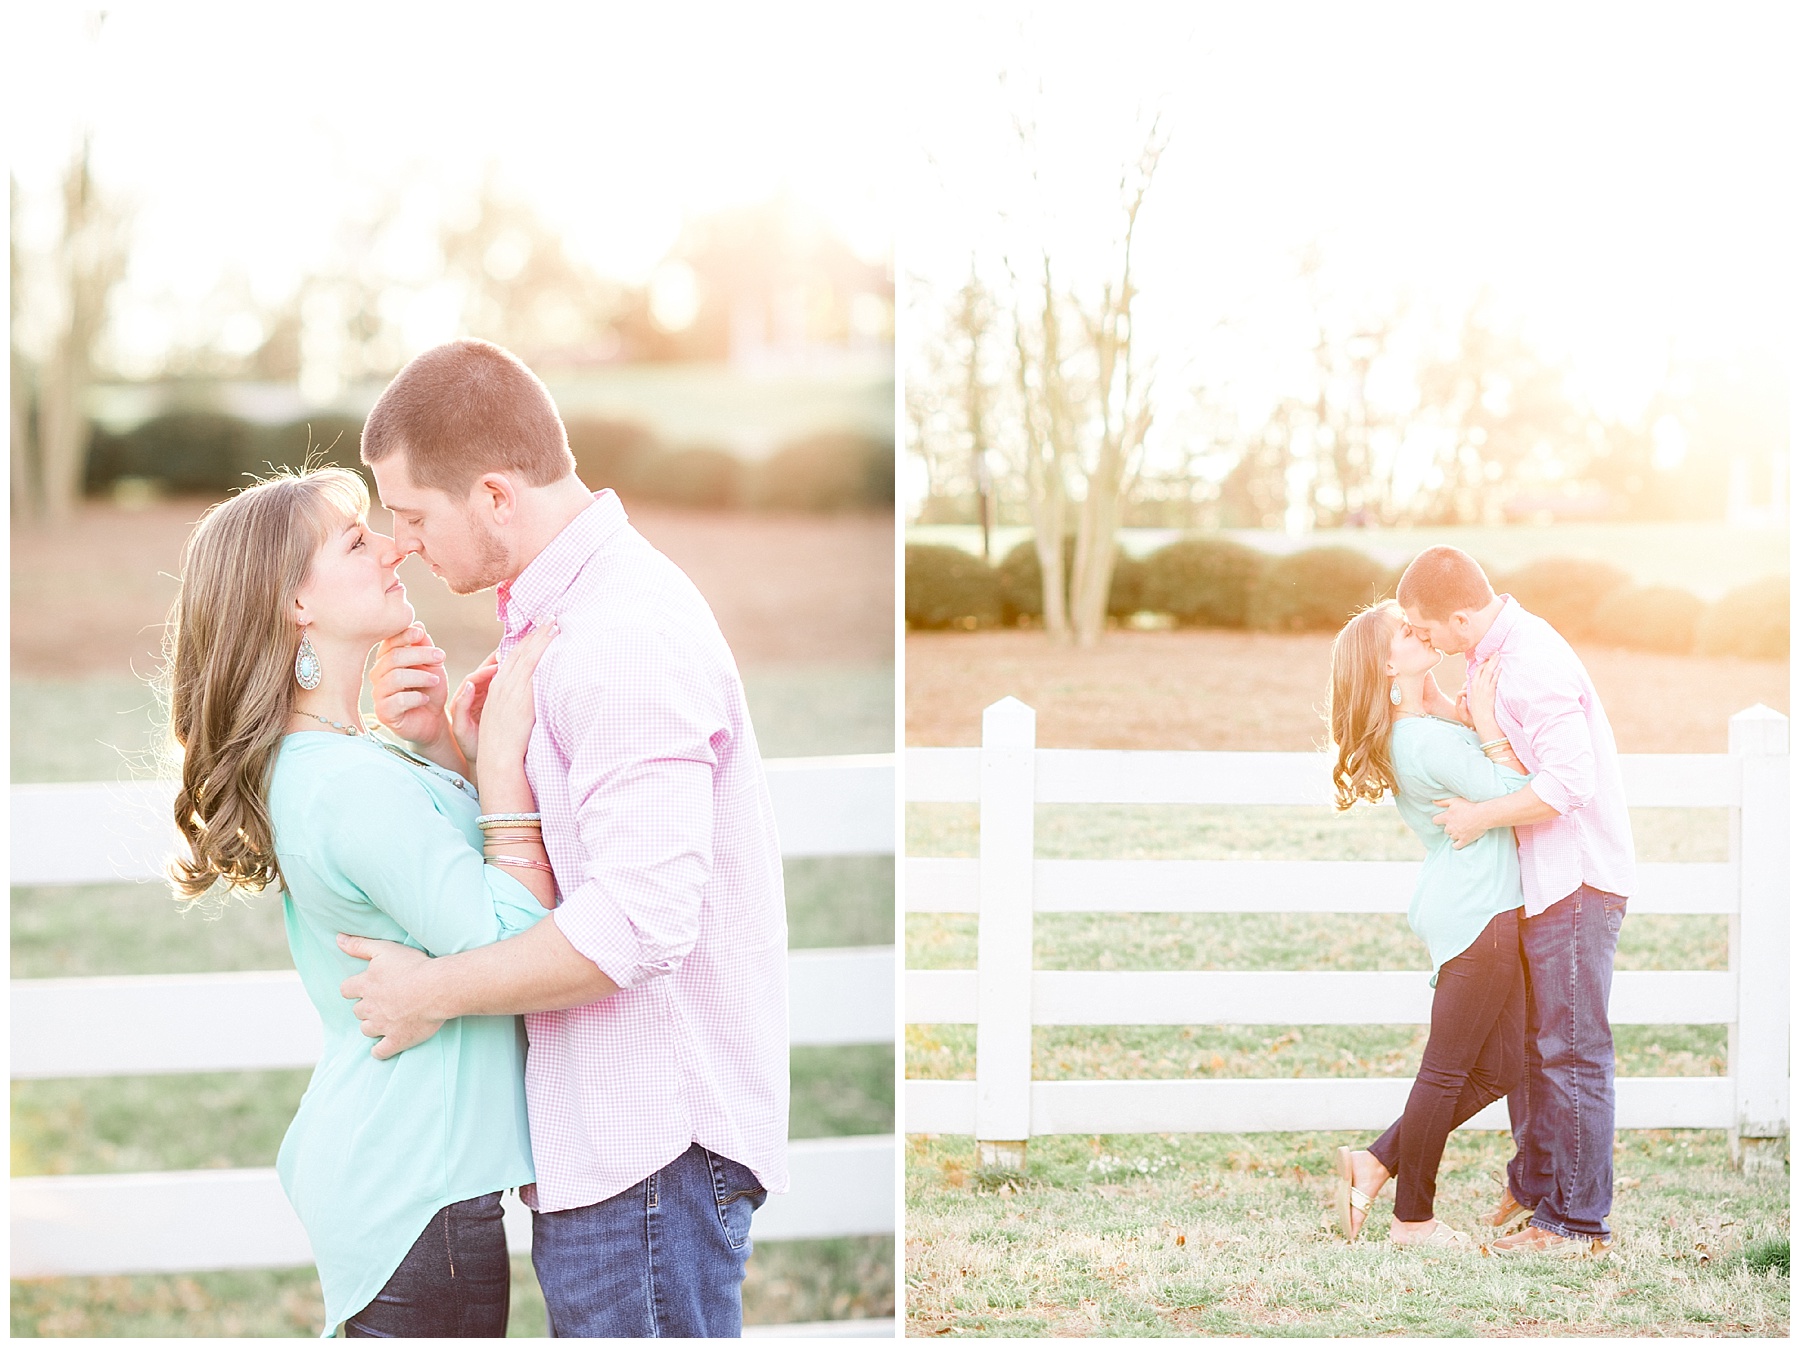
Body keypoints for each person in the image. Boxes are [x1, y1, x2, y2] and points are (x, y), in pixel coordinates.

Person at [333, 338, 790, 1338]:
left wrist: (428, 993)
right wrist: (454, 753)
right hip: (618, 1160)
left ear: (495, 495)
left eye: (411, 516)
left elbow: (639, 920)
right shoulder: (566, 617)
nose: (397, 544)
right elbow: (585, 847)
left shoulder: (621, 635)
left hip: (652, 1160)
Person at [164, 466, 560, 1336]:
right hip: (417, 1188)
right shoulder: (343, 783)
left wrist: (444, 744)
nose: (394, 546)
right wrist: (499, 763)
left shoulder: (341, 760)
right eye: (355, 541)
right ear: (293, 605)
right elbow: (515, 937)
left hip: (404, 1176)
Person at [1397, 545, 1635, 1258]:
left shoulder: (1532, 662)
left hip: (1577, 876)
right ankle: (1538, 1187)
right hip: (1541, 878)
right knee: (1536, 1047)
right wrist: (1443, 707)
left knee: (1571, 1049)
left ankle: (1575, 1222)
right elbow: (1509, 747)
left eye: (1424, 627)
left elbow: (1569, 782)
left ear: (1460, 616)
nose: (1424, 640)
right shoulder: (1490, 654)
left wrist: (1478, 818)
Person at [1326, 600, 1531, 1248]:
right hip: (1478, 909)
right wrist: (1492, 724)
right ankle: (1413, 1219)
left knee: (1503, 1067)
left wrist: (1455, 709)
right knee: (1445, 1072)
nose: (1423, 631)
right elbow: (1518, 789)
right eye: (1406, 632)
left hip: (1475, 902)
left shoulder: (1418, 728)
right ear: (1389, 663)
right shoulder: (1423, 740)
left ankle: (1378, 1161)